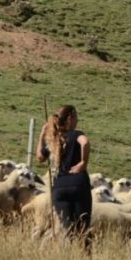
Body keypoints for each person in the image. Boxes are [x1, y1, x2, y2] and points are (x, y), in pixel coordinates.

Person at [37, 104, 91, 248]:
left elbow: (40, 157)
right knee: (83, 227)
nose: (77, 121)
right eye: (76, 118)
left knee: (68, 229)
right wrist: (83, 163)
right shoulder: (76, 134)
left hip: (60, 187)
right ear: (70, 118)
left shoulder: (53, 139)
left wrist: (42, 134)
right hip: (78, 184)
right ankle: (85, 256)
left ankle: (68, 253)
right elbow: (85, 142)